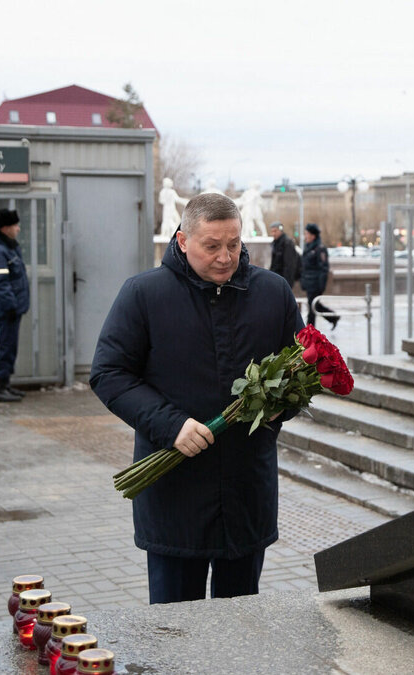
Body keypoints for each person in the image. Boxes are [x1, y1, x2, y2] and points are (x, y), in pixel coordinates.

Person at [89, 193, 303, 604]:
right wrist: (172, 425)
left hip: (246, 491)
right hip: (175, 494)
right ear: (183, 240)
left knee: (240, 626)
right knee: (174, 630)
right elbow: (109, 373)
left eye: (234, 244)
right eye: (212, 246)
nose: (226, 257)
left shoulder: (272, 293)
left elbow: (299, 369)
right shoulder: (143, 293)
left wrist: (282, 404)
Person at [0, 209, 30, 402]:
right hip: (6, 309)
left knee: (10, 347)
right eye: (15, 225)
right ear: (5, 228)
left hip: (11, 308)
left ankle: (5, 384)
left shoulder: (7, 246)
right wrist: (10, 306)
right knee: (5, 347)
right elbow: (0, 282)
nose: (18, 229)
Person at [300, 223, 338, 329]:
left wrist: (321, 285)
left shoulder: (320, 249)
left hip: (315, 283)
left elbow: (323, 268)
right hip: (309, 282)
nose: (305, 236)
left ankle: (309, 331)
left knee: (312, 308)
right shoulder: (308, 247)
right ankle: (333, 317)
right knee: (315, 306)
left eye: (307, 234)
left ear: (313, 235)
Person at [268, 222, 301, 288]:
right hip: (276, 278)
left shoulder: (287, 243)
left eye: (275, 231)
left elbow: (290, 265)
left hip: (283, 280)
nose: (273, 234)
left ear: (280, 230)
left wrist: (287, 283)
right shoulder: (275, 243)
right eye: (272, 231)